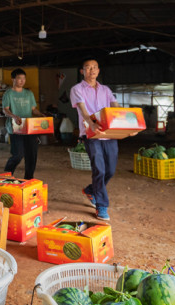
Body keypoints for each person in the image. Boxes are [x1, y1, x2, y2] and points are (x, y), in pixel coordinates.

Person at [70, 57, 124, 221]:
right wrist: (92, 124)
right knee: (99, 169)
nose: (91, 70)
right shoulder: (77, 89)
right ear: (82, 71)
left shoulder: (106, 90)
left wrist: (129, 124)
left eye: (94, 67)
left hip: (108, 133)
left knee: (110, 170)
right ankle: (102, 206)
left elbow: (116, 108)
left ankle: (91, 190)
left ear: (98, 71)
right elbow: (83, 110)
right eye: (87, 67)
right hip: (90, 133)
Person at [2, 68, 45, 180]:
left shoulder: (29, 93)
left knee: (32, 154)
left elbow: (33, 109)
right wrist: (14, 116)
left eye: (24, 78)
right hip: (15, 128)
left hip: (29, 128)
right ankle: (7, 175)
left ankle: (29, 178)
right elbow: (5, 110)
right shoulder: (8, 93)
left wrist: (41, 115)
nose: (22, 81)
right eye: (19, 78)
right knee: (18, 155)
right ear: (13, 79)